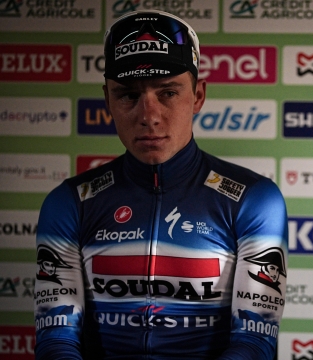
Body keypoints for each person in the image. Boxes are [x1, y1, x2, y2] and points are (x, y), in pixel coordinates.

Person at [33, 10, 288, 360]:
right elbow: (56, 339)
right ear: (107, 99)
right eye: (128, 95)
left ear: (198, 96)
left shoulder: (254, 199)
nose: (148, 114)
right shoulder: (69, 202)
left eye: (167, 92)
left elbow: (255, 341)